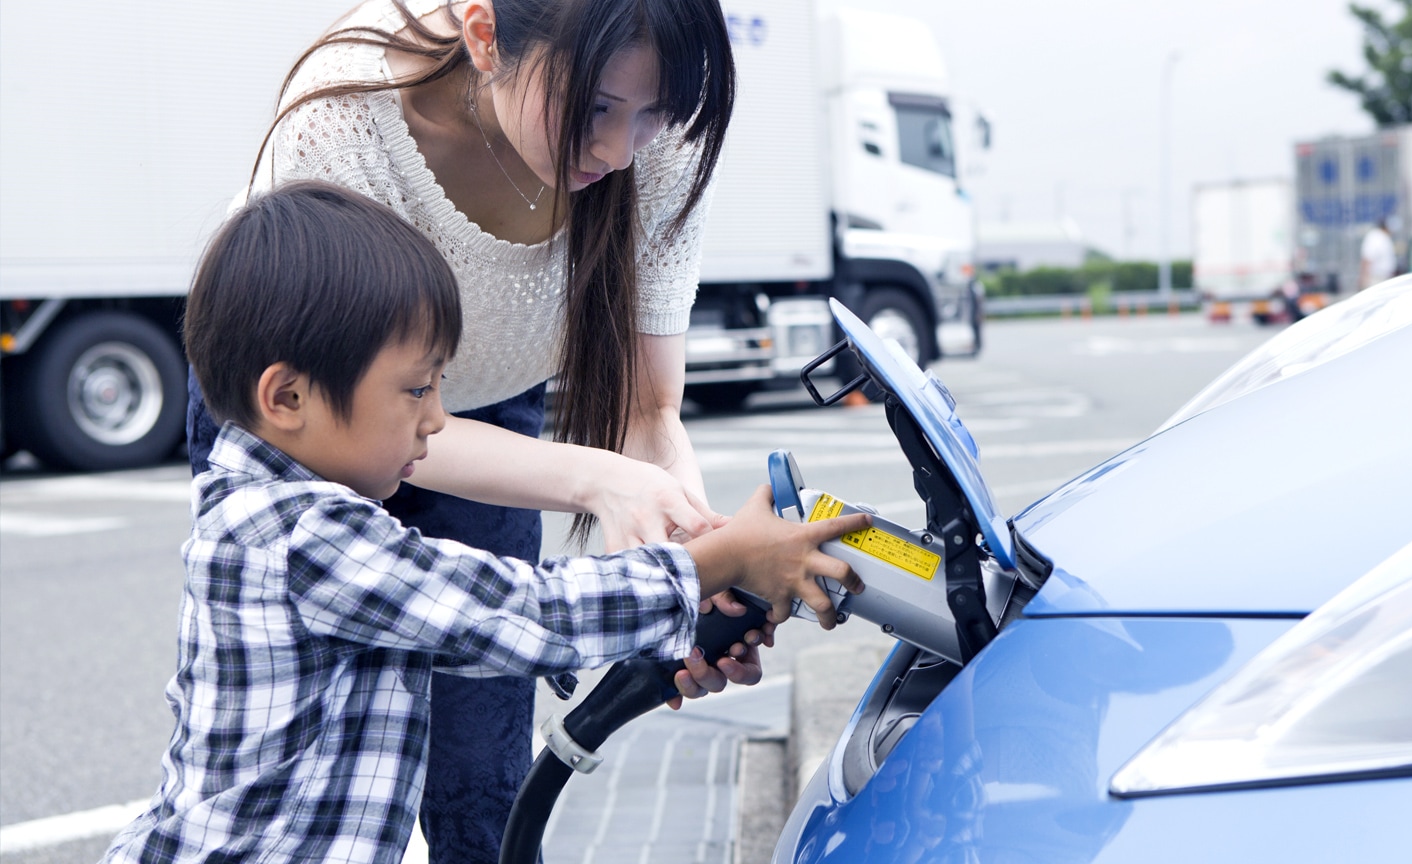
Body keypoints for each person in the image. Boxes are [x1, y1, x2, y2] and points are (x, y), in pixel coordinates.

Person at [108, 182, 869, 864]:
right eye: (416, 389)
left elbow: (474, 631)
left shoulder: (274, 514)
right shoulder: (303, 537)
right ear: (289, 399)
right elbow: (515, 612)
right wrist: (724, 558)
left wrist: (671, 615)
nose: (438, 419)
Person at [182, 2, 750, 858]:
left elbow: (647, 411)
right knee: (307, 757)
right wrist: (625, 509)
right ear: (485, 36)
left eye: (653, 115)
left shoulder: (649, 133)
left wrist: (693, 578)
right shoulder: (348, 111)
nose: (618, 151)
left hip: (497, 423)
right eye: (595, 108)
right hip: (318, 417)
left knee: (480, 771)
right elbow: (531, 605)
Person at [1358, 219, 1396, 290]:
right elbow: (1367, 258)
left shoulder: (1385, 237)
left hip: (1386, 278)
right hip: (1375, 279)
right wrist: (1364, 277)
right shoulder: (1374, 236)